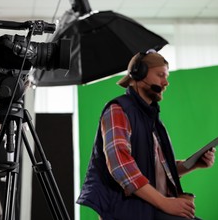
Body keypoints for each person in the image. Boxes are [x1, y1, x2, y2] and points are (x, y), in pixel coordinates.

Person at [77, 50, 216, 220]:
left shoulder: (152, 120)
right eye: (160, 75)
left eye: (166, 76)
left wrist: (192, 164)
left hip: (150, 209)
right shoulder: (118, 110)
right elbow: (121, 167)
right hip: (127, 211)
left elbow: (157, 169)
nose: (166, 82)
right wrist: (166, 203)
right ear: (139, 73)